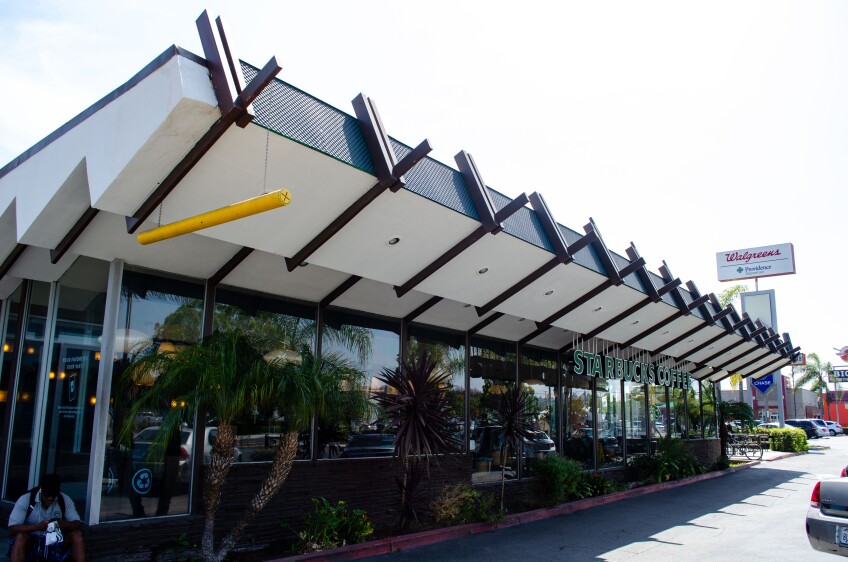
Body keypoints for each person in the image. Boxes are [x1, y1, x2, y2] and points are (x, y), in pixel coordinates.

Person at [7, 473, 85, 562]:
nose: (50, 498)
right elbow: (12, 528)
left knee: (77, 535)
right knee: (20, 536)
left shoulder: (64, 500)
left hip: (53, 539)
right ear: (41, 489)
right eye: (47, 495)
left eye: (53, 496)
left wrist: (65, 524)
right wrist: (36, 527)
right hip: (31, 539)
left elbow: (77, 524)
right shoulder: (26, 499)